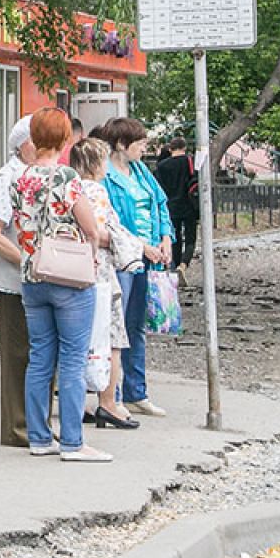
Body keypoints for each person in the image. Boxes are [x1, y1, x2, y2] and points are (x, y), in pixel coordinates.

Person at [10, 107, 113, 463]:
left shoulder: (18, 179)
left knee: (39, 358)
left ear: (34, 138)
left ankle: (39, 437)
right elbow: (89, 225)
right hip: (69, 276)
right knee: (71, 359)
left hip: (31, 276)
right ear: (65, 139)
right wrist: (94, 243)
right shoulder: (66, 176)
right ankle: (73, 442)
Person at [97, 117, 174, 417]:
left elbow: (160, 204)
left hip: (149, 255)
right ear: (121, 144)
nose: (144, 148)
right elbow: (110, 219)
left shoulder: (142, 171)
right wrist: (142, 246)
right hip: (122, 256)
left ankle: (135, 391)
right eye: (140, 143)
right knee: (116, 326)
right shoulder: (104, 175)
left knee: (136, 324)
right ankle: (112, 393)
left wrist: (166, 238)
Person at [71, 137, 141, 430]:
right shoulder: (96, 192)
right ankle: (109, 402)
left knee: (77, 339)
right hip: (99, 272)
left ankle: (79, 402)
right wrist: (123, 241)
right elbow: (99, 232)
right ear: (97, 164)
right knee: (112, 337)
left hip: (73, 269)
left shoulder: (69, 188)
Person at [0, 115, 41, 448]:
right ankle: (17, 427)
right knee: (18, 354)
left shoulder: (41, 176)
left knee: (41, 353)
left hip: (41, 279)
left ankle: (36, 424)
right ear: (24, 145)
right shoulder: (7, 178)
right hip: (14, 281)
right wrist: (29, 260)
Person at [153, 137, 200, 270]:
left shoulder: (162, 166)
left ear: (170, 149)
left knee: (175, 238)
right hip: (189, 205)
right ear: (184, 148)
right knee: (190, 237)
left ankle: (175, 265)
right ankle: (184, 264)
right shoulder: (190, 161)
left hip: (170, 207)